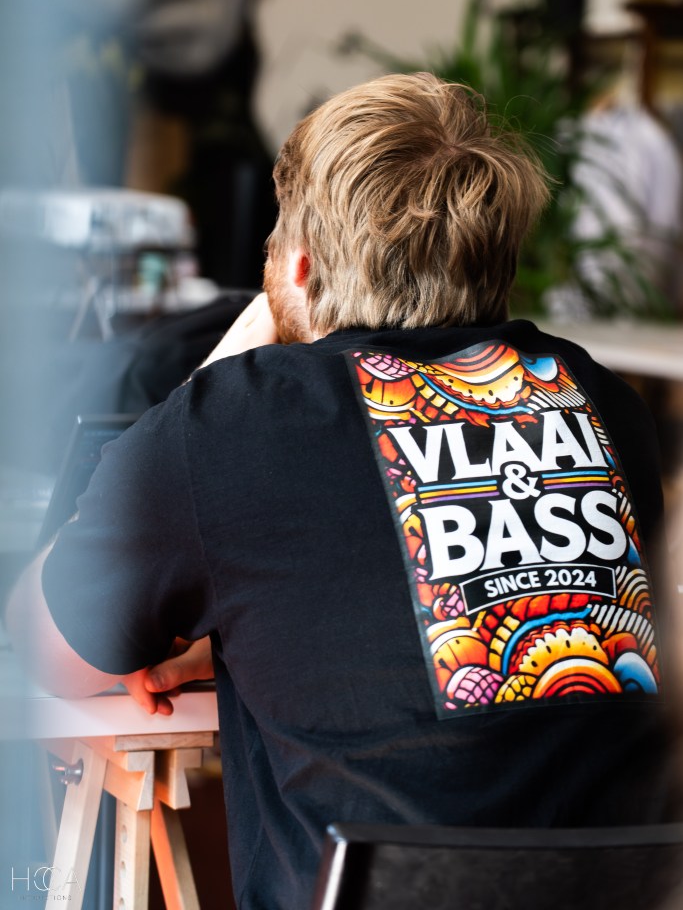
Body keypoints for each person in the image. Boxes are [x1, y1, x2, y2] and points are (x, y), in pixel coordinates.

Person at [6, 73, 681, 910]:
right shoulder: (600, 400)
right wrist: (243, 639)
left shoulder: (236, 420)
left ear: (298, 264)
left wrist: (225, 358)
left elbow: (48, 649)